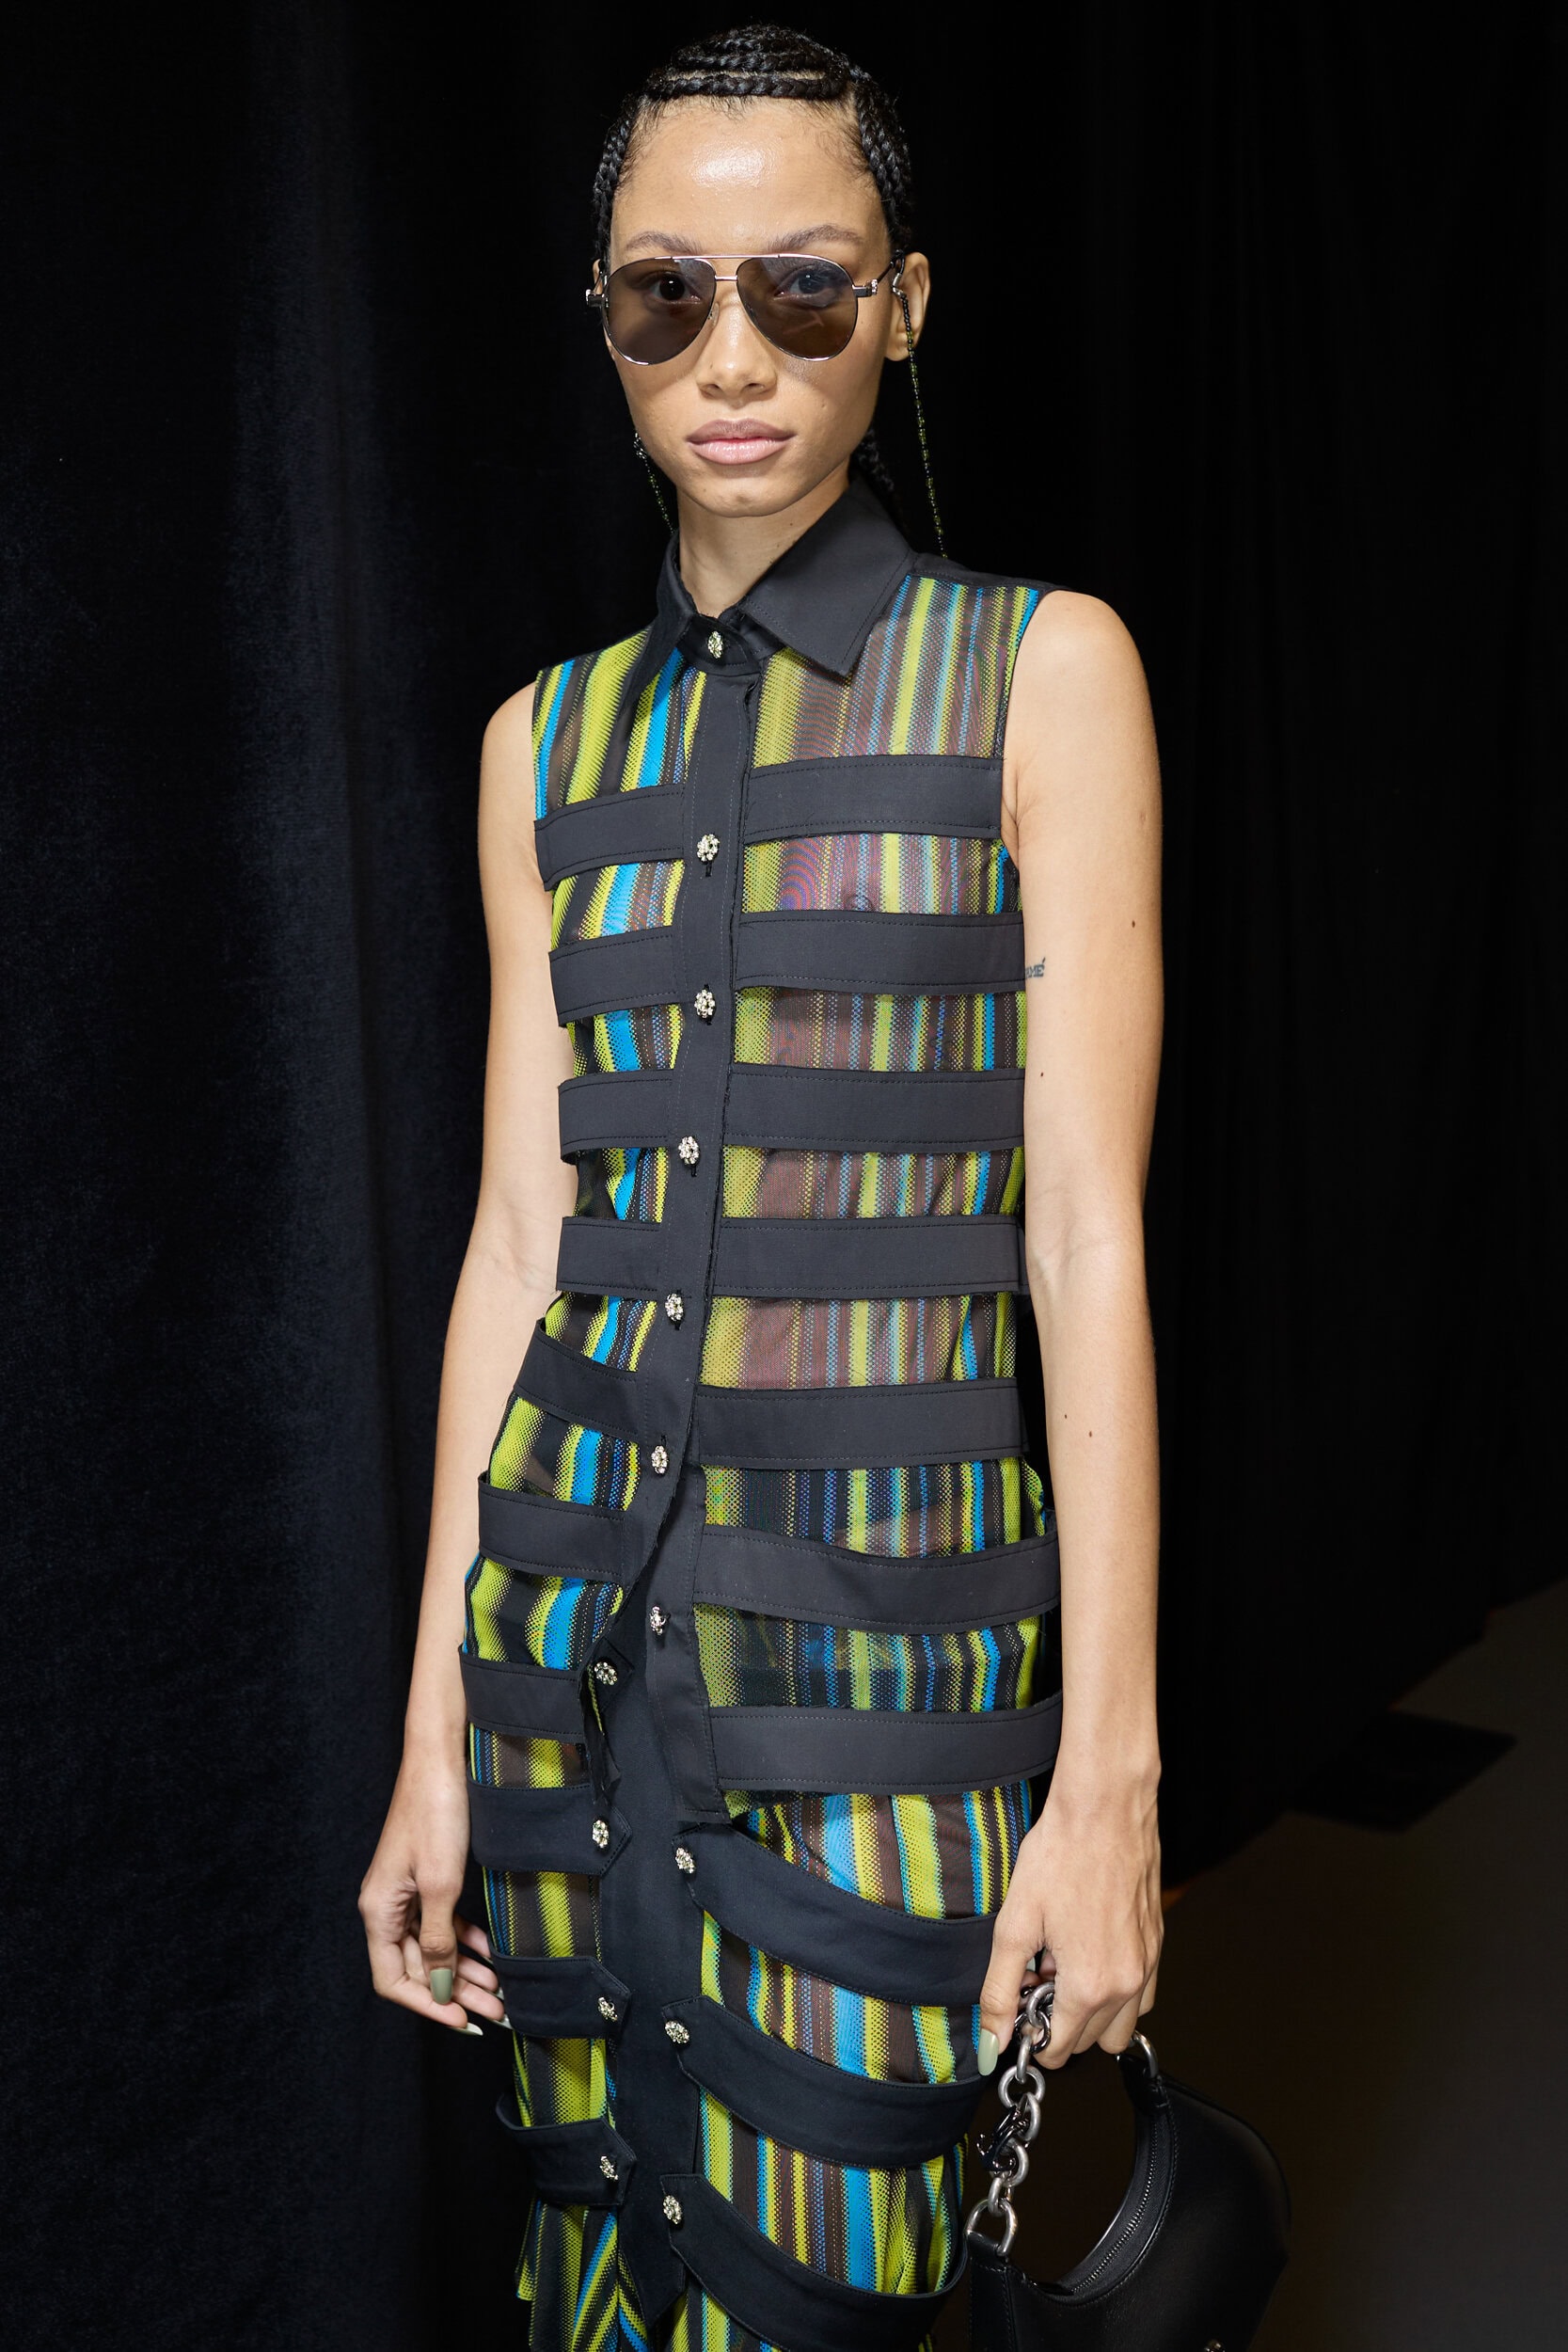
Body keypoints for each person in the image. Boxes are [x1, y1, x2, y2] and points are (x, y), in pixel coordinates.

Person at [359, 24, 1164, 2348]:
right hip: (563, 1694)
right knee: (591, 2283)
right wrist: (433, 1737)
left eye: (804, 290)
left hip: (883, 1704)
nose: (734, 357)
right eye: (667, 296)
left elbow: (1083, 1235)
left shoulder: (1039, 675)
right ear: (607, 323)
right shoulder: (540, 741)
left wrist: (1108, 1784)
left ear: (902, 306)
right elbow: (522, 1246)